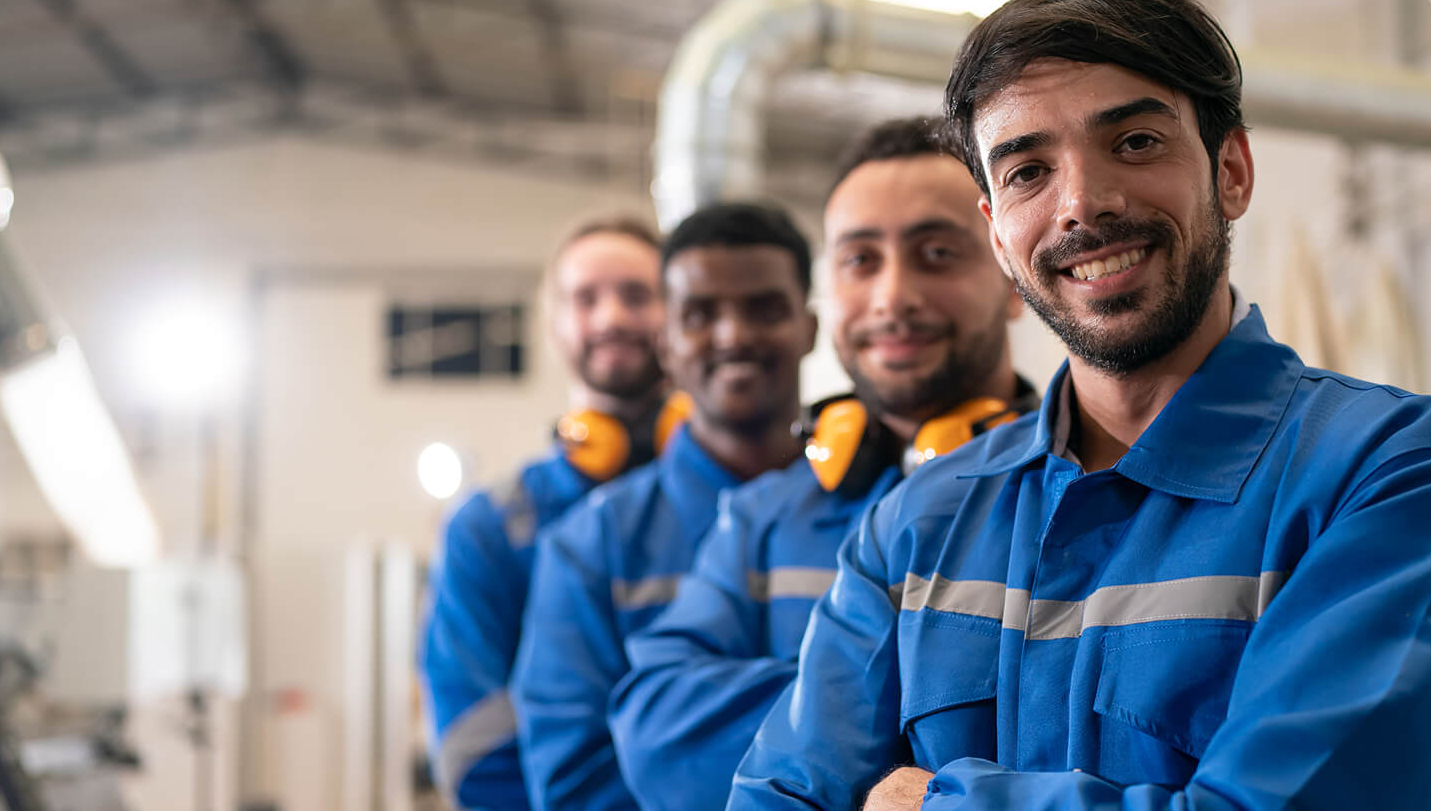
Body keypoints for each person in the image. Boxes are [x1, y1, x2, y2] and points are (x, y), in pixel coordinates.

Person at [731, 0, 1431, 811]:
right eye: (1028, 170)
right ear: (997, 232)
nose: (1083, 203)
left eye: (1135, 142)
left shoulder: (1400, 480)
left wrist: (939, 804)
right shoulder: (913, 529)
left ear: (1232, 172)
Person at [609, 117, 1035, 811]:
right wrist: (932, 730)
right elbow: (657, 727)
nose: (892, 296)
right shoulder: (764, 516)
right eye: (861, 260)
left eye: (935, 253)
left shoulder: (1088, 498)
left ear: (1014, 274)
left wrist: (817, 737)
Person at [518, 201, 819, 811]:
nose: (733, 335)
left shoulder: (883, 517)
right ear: (665, 340)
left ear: (810, 328)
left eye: (763, 308)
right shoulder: (589, 546)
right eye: (701, 314)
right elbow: (574, 782)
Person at [419, 215, 667, 811]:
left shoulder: (740, 503)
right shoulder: (491, 529)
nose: (611, 317)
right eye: (586, 299)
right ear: (555, 326)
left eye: (637, 295)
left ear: (679, 312)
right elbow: (471, 745)